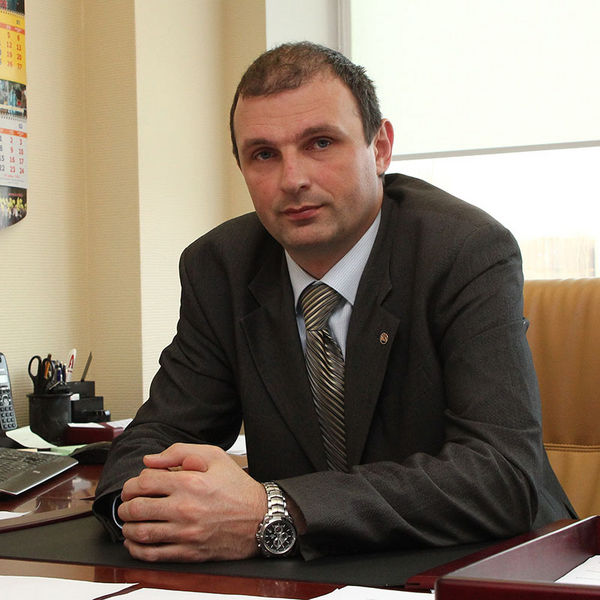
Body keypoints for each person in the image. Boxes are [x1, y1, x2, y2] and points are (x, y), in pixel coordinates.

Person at [93, 41, 575, 563]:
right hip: (307, 573)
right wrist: (142, 509)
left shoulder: (464, 250)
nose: (292, 179)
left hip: (482, 563)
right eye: (263, 154)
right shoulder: (219, 266)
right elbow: (159, 436)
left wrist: (274, 511)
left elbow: (502, 474)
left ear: (380, 148)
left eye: (320, 143)